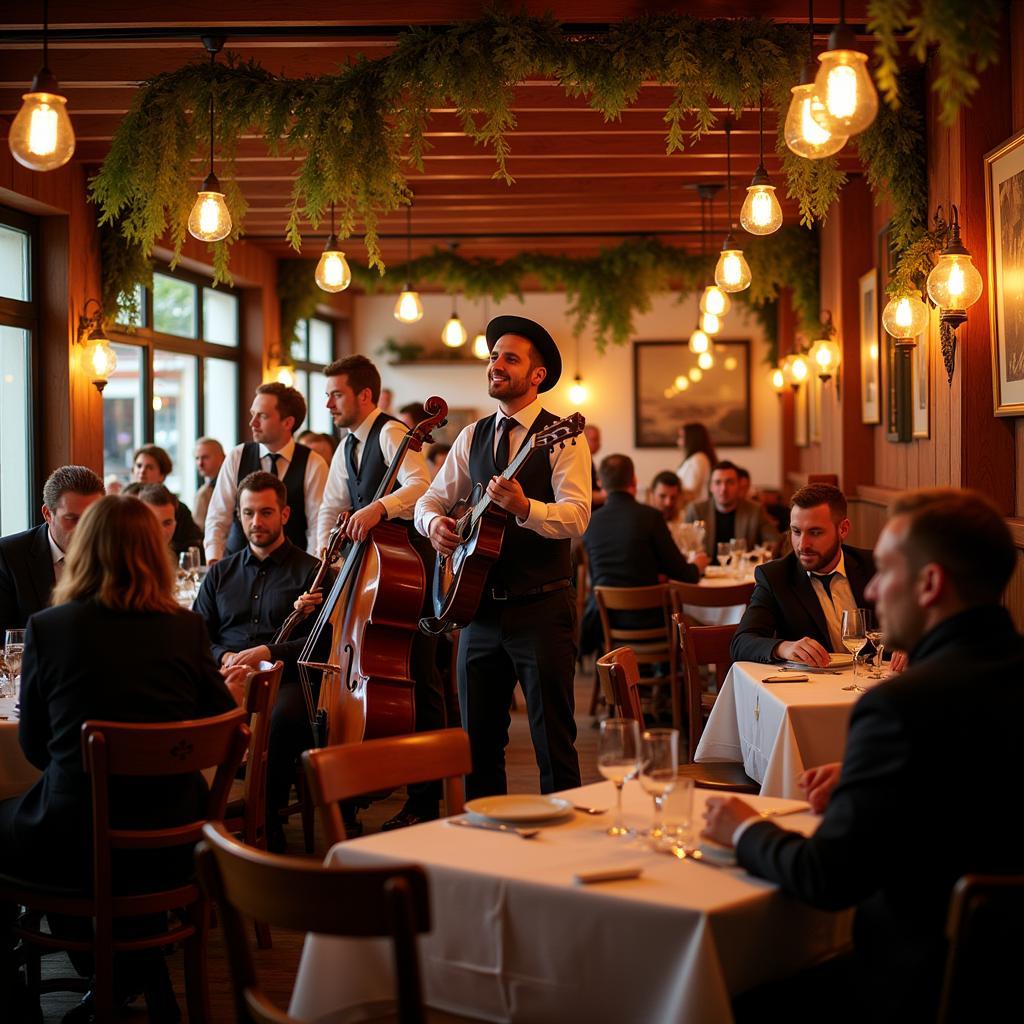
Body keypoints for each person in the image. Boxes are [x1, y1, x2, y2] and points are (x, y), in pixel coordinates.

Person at [703, 488, 1024, 1022]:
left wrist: (741, 828)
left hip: (926, 984)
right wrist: (866, 778)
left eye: (886, 571)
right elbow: (978, 792)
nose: (871, 587)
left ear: (930, 584)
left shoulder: (899, 708)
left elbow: (827, 878)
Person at [0, 495, 236, 1022]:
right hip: (176, 837)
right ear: (155, 554)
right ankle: (136, 972)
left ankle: (22, 996)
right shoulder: (185, 628)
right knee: (119, 857)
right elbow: (220, 728)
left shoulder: (49, 629)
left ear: (82, 550)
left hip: (73, 840)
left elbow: (33, 747)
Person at [416, 315, 591, 800]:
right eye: (493, 356)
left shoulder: (564, 435)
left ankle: (566, 855)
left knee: (553, 743)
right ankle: (482, 851)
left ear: (537, 376)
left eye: (509, 358)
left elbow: (577, 517)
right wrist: (438, 528)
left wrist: (525, 507)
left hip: (541, 607)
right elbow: (428, 501)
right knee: (478, 745)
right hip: (476, 611)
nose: (496, 364)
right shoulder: (471, 436)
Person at [312, 354, 445, 830]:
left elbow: (421, 486)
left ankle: (427, 798)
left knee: (422, 680)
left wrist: (378, 509)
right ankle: (362, 776)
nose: (328, 402)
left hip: (407, 568)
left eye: (337, 394)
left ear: (364, 395)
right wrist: (322, 559)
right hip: (371, 571)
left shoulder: (390, 433)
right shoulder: (346, 445)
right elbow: (330, 507)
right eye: (327, 394)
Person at [193, 472, 319, 852]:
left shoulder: (312, 572)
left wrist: (268, 653)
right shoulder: (219, 573)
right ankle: (199, 816)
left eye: (266, 513)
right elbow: (197, 635)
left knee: (280, 716)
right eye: (248, 513)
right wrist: (225, 656)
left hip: (288, 679)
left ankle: (267, 818)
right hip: (226, 675)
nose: (256, 522)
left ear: (285, 514)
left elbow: (322, 643)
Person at [730, 482, 875, 666]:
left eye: (815, 532)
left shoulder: (873, 566)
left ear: (843, 529)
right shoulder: (776, 577)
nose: (802, 545)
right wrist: (784, 648)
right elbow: (741, 643)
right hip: (812, 689)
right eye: (796, 532)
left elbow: (910, 629)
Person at [580, 455, 707, 654]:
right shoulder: (650, 518)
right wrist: (698, 565)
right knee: (695, 623)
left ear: (599, 483)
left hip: (606, 624)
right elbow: (683, 574)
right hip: (653, 624)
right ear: (634, 481)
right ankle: (676, 680)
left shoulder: (589, 522)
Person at [203, 382, 328, 563]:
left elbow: (317, 527)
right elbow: (218, 515)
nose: (252, 423)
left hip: (292, 571)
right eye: (253, 414)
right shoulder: (237, 456)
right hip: (239, 567)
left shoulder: (313, 463)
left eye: (262, 416)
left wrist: (311, 573)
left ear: (287, 422)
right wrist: (214, 561)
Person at [0, 465, 104, 630]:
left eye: (91, 518)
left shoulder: (113, 552)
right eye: (72, 519)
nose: (84, 529)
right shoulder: (9, 555)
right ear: (47, 514)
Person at [684, 460, 780, 559]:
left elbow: (775, 542)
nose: (723, 488)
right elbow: (685, 547)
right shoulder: (696, 510)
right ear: (711, 487)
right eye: (718, 482)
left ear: (739, 486)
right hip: (705, 572)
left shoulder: (755, 510)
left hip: (741, 572)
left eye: (729, 482)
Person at [129, 445, 204, 558]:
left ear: (162, 475)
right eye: (139, 466)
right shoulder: (126, 505)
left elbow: (193, 545)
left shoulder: (177, 508)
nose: (142, 471)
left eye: (149, 467)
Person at [676, 422, 716, 504]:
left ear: (691, 439)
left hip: (695, 509)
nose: (678, 442)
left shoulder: (698, 459)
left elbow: (690, 491)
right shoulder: (695, 459)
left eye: (681, 437)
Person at [130, 483, 179, 549]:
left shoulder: (171, 555)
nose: (162, 531)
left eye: (167, 523)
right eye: (153, 523)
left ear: (175, 523)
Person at [192, 437, 225, 531]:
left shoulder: (231, 487)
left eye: (205, 457)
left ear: (222, 458)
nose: (200, 463)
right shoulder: (204, 491)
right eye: (197, 458)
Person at [583, 424, 606, 508]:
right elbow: (584, 497)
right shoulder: (581, 463)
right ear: (583, 440)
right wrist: (610, 493)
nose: (598, 444)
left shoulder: (589, 460)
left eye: (599, 440)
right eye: (594, 440)